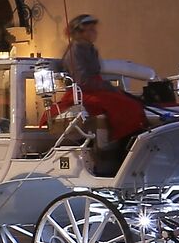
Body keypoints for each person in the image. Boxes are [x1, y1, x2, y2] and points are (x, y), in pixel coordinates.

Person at [59, 14, 148, 152]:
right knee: (122, 105)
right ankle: (122, 143)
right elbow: (83, 80)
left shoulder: (90, 49)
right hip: (82, 92)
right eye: (89, 29)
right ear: (80, 33)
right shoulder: (75, 52)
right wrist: (107, 87)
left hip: (95, 88)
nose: (94, 32)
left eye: (93, 29)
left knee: (132, 101)